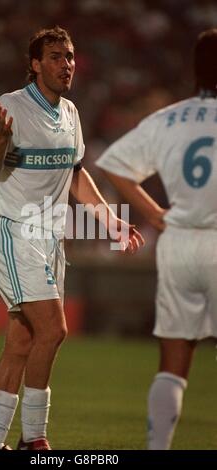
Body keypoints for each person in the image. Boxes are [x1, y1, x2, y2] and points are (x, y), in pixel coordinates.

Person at [0, 26, 144, 451]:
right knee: (54, 330)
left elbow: (76, 173)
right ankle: (35, 440)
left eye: (69, 56)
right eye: (55, 56)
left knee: (23, 340)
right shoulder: (9, 107)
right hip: (16, 230)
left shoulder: (70, 112)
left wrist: (109, 220)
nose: (66, 64)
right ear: (34, 64)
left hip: (51, 238)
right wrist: (4, 138)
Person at [96, 28, 217, 450]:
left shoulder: (169, 118)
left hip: (180, 242)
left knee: (174, 361)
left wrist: (153, 214)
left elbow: (114, 166)